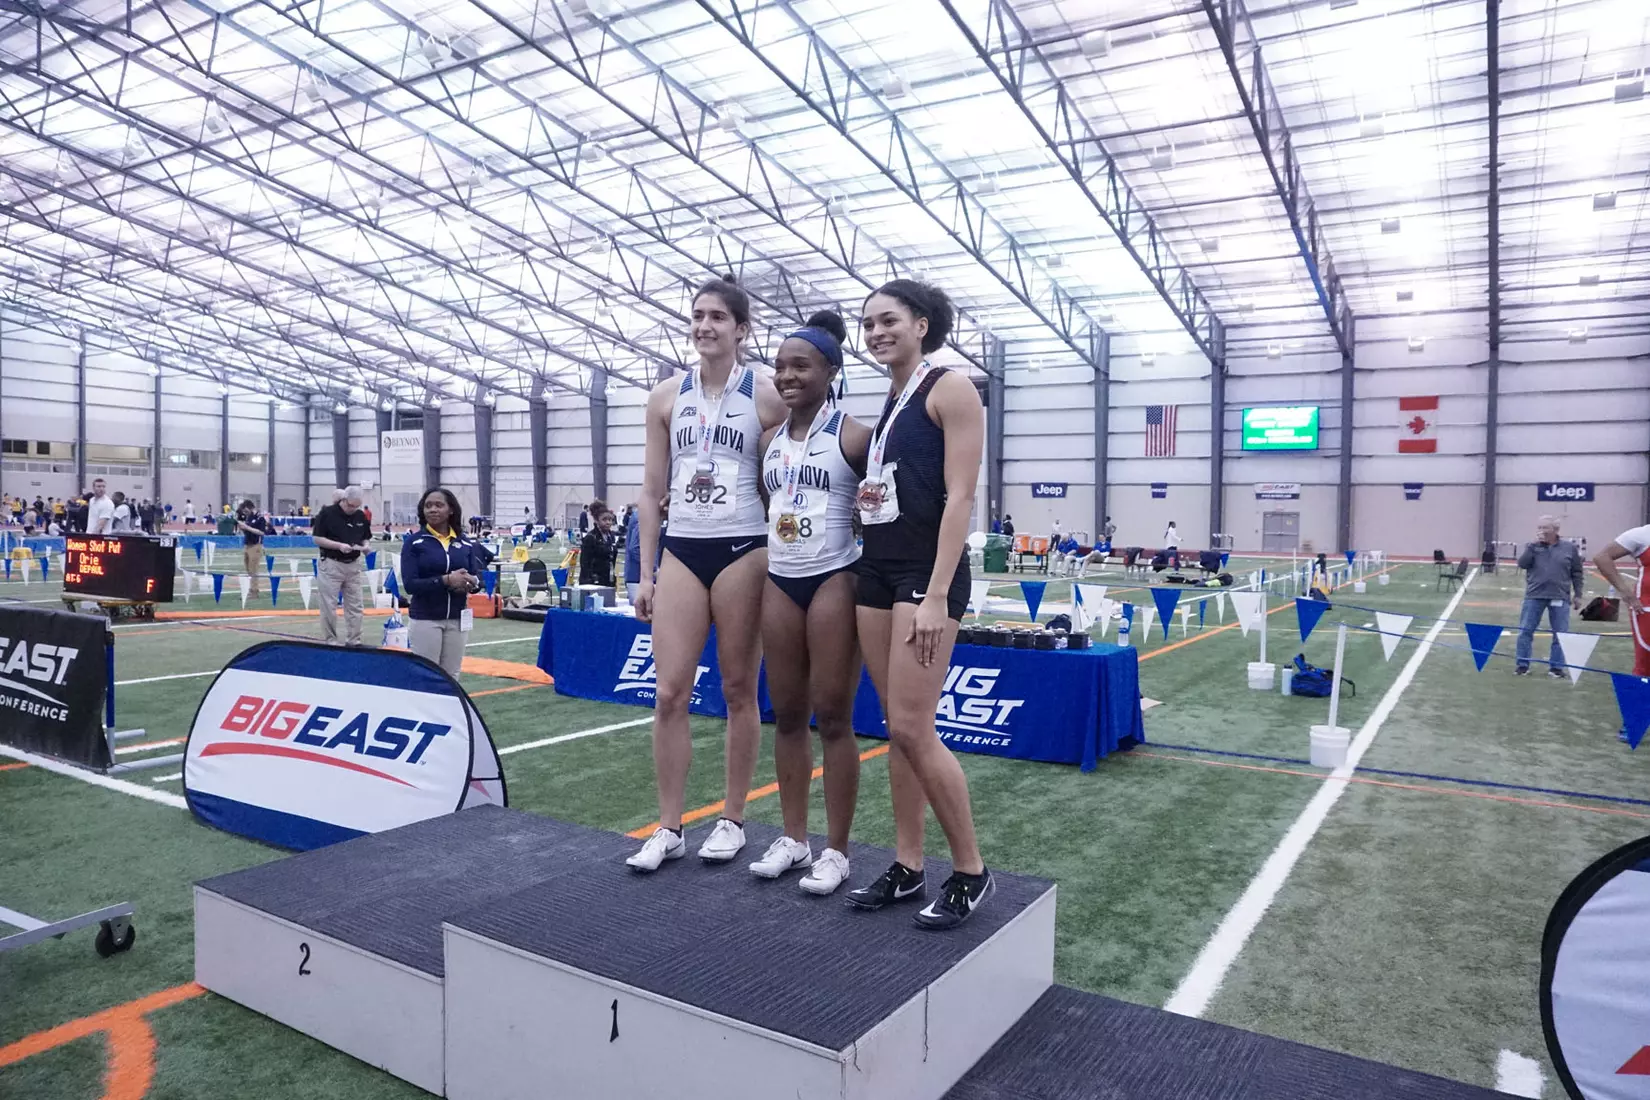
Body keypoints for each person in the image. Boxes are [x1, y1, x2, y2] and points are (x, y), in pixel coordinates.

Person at [626, 275, 787, 872]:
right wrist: (645, 573)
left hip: (744, 549)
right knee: (669, 693)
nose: (704, 325)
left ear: (742, 329)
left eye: (718, 316)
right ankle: (669, 826)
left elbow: (786, 480)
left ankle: (733, 817)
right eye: (697, 315)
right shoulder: (666, 397)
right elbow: (650, 489)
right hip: (683, 552)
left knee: (739, 689)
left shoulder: (768, 394)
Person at [846, 278, 991, 930]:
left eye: (889, 321)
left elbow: (960, 498)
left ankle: (971, 871)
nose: (877, 332)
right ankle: (908, 866)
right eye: (869, 324)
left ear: (923, 324)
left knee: (913, 726)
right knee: (895, 728)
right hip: (874, 569)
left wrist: (936, 595)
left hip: (924, 576)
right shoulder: (891, 398)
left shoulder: (950, 388)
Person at [748, 310, 869, 896]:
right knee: (788, 712)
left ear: (831, 370)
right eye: (780, 367)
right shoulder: (768, 441)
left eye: (801, 366)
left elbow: (882, 504)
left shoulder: (854, 435)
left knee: (834, 716)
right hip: (780, 578)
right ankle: (794, 838)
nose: (787, 376)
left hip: (833, 578)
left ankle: (837, 850)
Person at [401, 487, 485, 676]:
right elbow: (410, 585)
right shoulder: (414, 543)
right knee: (427, 676)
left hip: (457, 619)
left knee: (452, 676)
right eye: (428, 506)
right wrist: (446, 580)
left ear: (451, 510)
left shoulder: (464, 543)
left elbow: (478, 578)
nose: (432, 509)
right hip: (426, 619)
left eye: (439, 505)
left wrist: (472, 582)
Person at [1513, 515, 1585, 677]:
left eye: (1545, 528)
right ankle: (1522, 665)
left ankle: (1556, 668)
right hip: (1534, 595)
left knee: (1560, 633)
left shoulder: (1569, 548)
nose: (1541, 531)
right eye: (1539, 527)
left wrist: (1578, 594)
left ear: (1556, 530)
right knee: (1525, 631)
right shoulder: (1533, 547)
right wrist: (1532, 547)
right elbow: (1522, 564)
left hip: (1560, 596)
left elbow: (1577, 572)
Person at [311, 485, 373, 646]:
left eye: (356, 506)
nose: (353, 509)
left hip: (353, 565)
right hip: (331, 564)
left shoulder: (360, 516)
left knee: (355, 605)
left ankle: (354, 640)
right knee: (329, 605)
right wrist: (338, 546)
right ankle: (331, 640)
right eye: (351, 505)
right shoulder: (326, 514)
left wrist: (366, 546)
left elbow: (365, 536)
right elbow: (317, 538)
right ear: (344, 500)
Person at [1595, 522, 1650, 682]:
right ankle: (1640, 706)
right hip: (1646, 608)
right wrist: (1625, 592)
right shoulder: (1642, 534)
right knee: (1645, 665)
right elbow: (1602, 557)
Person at [236, 500, 271, 598]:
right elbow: (248, 532)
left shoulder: (260, 518)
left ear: (249, 507)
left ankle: (254, 592)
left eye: (245, 510)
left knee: (254, 570)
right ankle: (251, 589)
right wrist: (243, 529)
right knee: (248, 570)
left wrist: (247, 527)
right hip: (247, 545)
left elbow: (261, 532)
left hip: (255, 546)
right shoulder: (249, 517)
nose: (244, 513)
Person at [579, 502, 618, 587]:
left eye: (610, 520)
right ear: (596, 520)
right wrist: (589, 581)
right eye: (604, 520)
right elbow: (584, 563)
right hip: (593, 582)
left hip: (608, 580)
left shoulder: (611, 537)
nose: (608, 522)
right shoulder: (591, 537)